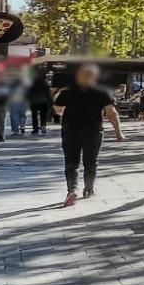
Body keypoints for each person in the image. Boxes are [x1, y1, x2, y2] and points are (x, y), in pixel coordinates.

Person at [54, 64, 123, 205]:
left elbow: (58, 110)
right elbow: (111, 113)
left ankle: (72, 190)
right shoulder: (103, 92)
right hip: (93, 131)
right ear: (95, 77)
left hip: (70, 130)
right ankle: (89, 189)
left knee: (71, 162)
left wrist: (60, 96)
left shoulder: (67, 91)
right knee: (91, 161)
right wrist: (118, 132)